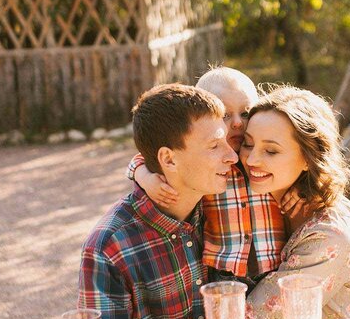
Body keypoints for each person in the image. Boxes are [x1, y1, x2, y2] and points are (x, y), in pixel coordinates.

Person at [239, 86, 350, 319]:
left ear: (309, 157)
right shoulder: (266, 193)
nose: (251, 160)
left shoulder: (330, 234)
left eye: (271, 151)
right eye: (247, 144)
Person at [78, 84, 238, 319]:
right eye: (214, 146)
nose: (232, 156)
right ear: (169, 159)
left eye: (227, 142)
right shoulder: (108, 248)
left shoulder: (225, 207)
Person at [126, 66, 296, 287]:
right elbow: (145, 156)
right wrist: (145, 177)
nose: (237, 122)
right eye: (225, 115)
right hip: (223, 270)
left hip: (274, 263)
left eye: (245, 113)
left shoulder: (258, 159)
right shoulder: (208, 166)